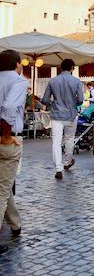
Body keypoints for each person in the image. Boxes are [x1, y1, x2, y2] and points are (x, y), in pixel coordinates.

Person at [0, 50, 28, 254]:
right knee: (2, 189)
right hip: (7, 139)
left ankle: (15, 224)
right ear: (17, 64)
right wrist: (6, 133)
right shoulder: (18, 81)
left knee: (4, 185)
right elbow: (9, 106)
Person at [41, 58, 83, 179]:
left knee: (56, 141)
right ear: (72, 68)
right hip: (71, 114)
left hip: (56, 115)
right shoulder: (76, 81)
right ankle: (68, 161)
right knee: (69, 139)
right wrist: (72, 102)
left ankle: (58, 168)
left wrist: (53, 103)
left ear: (61, 68)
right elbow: (80, 100)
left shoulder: (53, 81)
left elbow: (45, 100)